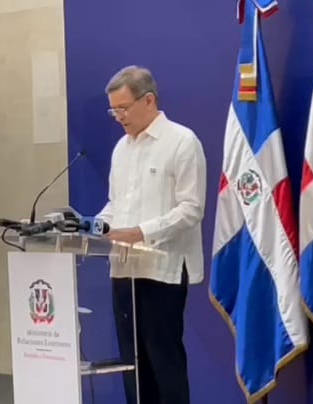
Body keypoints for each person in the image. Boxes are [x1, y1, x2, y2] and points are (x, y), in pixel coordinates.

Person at [97, 65, 207, 404]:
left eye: (123, 108)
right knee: (132, 364)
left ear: (149, 100)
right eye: (113, 111)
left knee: (164, 361)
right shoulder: (121, 148)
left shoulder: (182, 142)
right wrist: (95, 226)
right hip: (124, 270)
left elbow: (191, 209)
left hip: (163, 270)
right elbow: (117, 204)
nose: (118, 117)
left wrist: (141, 233)